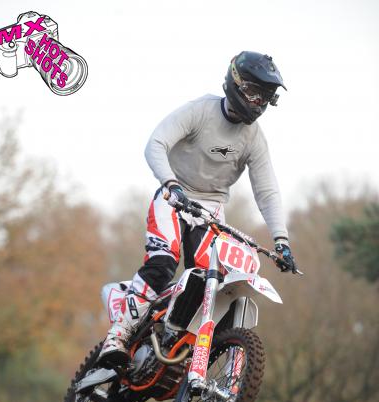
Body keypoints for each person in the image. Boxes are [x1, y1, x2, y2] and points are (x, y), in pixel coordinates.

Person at [98, 50, 297, 366]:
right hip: (174, 197)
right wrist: (170, 183)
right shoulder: (201, 111)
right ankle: (118, 335)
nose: (257, 102)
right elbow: (156, 143)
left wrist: (281, 241)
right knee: (163, 262)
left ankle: (182, 346)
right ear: (235, 83)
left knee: (214, 284)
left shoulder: (254, 138)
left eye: (265, 96)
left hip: (211, 209)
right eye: (253, 92)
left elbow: (267, 191)